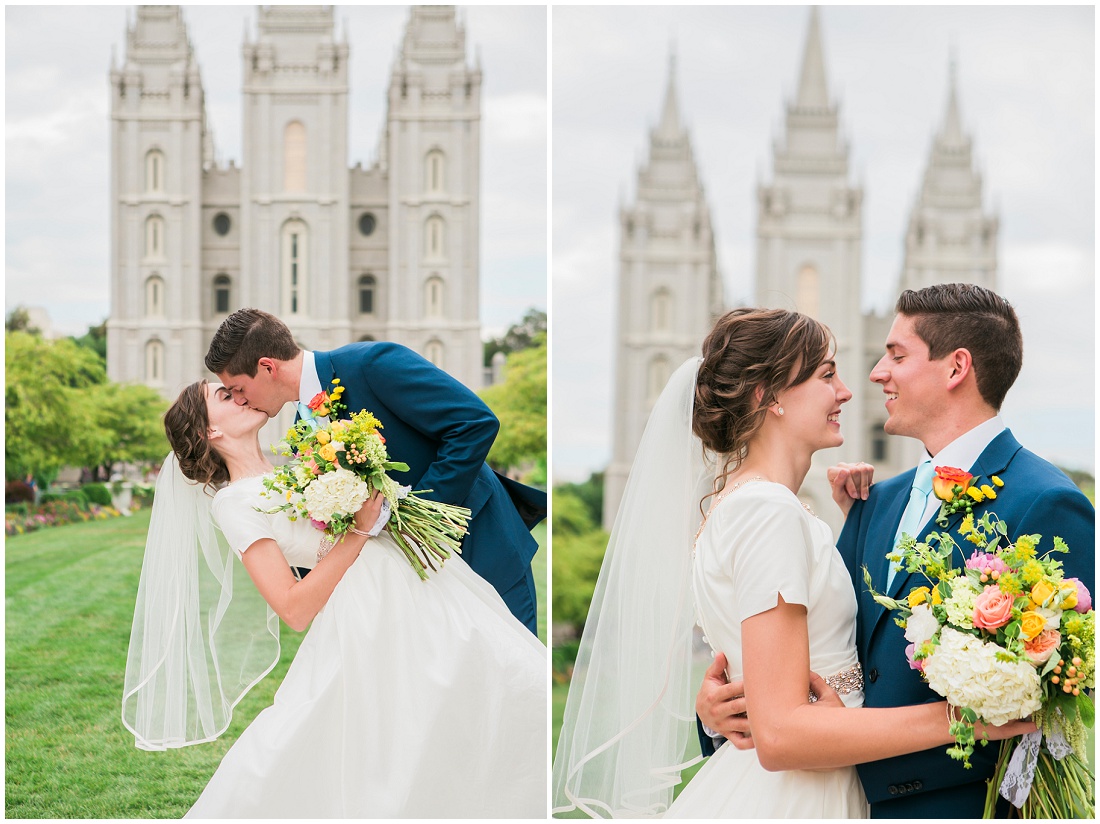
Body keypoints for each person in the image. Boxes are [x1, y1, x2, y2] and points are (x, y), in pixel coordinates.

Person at [551, 308, 1029, 818]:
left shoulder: (759, 506)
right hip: (800, 794)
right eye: (826, 375)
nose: (846, 391)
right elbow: (780, 734)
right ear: (768, 396)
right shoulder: (766, 512)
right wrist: (969, 718)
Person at [696, 285, 1095, 817]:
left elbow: (1067, 685)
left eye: (896, 356)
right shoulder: (873, 501)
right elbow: (810, 659)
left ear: (956, 368)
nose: (874, 374)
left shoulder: (1046, 501)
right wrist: (720, 712)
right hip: (822, 790)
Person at [122, 380, 547, 817]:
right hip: (373, 612)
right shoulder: (235, 504)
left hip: (425, 585)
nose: (241, 396)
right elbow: (293, 608)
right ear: (210, 432)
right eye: (225, 397)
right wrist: (360, 529)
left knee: (505, 691)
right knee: (393, 739)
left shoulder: (297, 468)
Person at [204, 308, 546, 635]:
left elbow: (474, 423)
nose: (242, 401)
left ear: (267, 367)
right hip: (412, 583)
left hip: (482, 546)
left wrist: (421, 520)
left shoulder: (372, 363)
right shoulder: (301, 433)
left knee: (515, 680)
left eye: (238, 389)